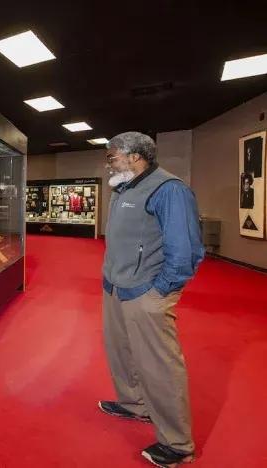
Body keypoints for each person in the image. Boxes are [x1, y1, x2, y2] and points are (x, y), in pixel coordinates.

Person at [99, 132, 203, 467]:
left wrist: (160, 290)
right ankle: (134, 405)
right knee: (120, 350)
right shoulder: (124, 187)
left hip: (146, 291)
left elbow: (186, 251)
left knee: (159, 366)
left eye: (112, 157)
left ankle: (177, 444)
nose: (108, 163)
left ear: (134, 156)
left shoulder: (169, 190)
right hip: (116, 287)